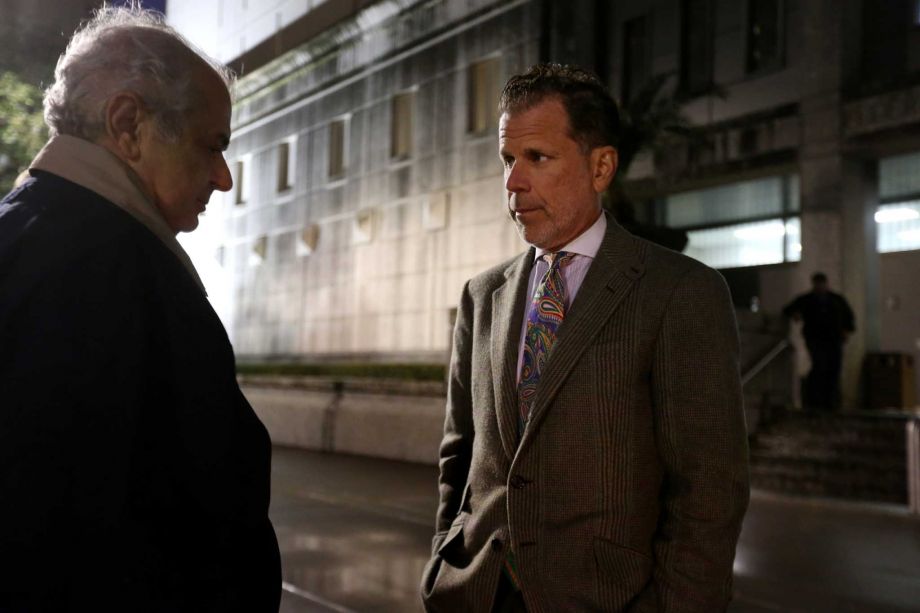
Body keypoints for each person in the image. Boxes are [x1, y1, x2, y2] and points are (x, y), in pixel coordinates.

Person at [420, 64, 750, 612]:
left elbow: (708, 494)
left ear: (601, 167)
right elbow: (460, 457)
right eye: (507, 160)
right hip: (476, 596)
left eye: (537, 158)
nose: (512, 182)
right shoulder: (483, 295)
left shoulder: (680, 292)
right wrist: (443, 561)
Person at [0, 7, 281, 612]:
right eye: (212, 145)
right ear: (127, 123)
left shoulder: (18, 238)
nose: (224, 178)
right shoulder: (118, 276)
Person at [782, 272, 855, 411]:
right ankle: (816, 401)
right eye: (818, 284)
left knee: (833, 369)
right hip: (815, 339)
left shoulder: (836, 300)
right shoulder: (807, 300)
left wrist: (846, 330)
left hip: (834, 339)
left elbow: (849, 317)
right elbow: (787, 310)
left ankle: (830, 402)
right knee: (819, 367)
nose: (820, 287)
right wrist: (795, 314)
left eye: (822, 284)